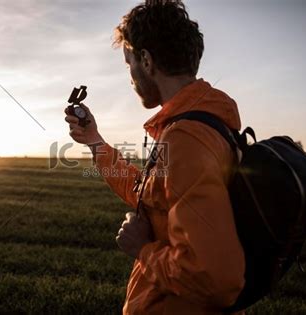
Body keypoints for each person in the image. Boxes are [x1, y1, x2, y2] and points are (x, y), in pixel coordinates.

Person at [65, 1, 245, 314]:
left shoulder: (186, 138)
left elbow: (216, 279)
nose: (130, 76)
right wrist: (94, 141)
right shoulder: (198, 123)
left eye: (128, 64)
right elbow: (146, 194)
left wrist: (143, 250)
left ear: (146, 60)